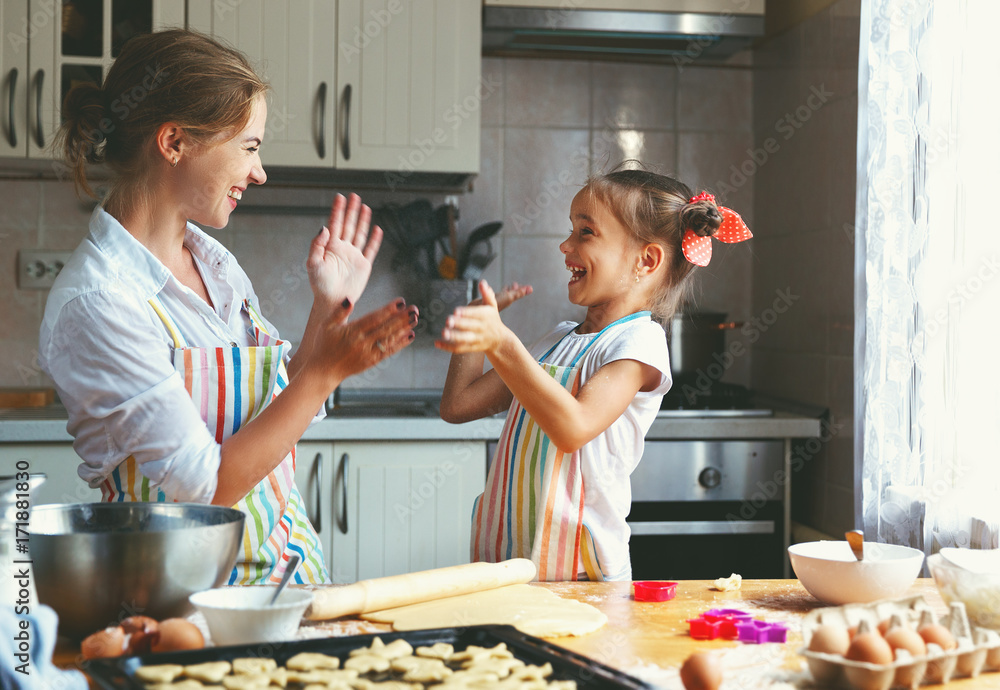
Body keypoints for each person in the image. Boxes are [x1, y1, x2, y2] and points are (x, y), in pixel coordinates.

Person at [38, 29, 418, 586]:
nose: (259, 172)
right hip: (181, 601)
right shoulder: (99, 304)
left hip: (288, 578)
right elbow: (206, 489)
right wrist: (330, 371)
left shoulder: (214, 265)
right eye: (249, 146)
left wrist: (327, 307)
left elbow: (285, 404)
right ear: (174, 142)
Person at [436, 166, 752, 581]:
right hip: (509, 565)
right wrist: (477, 333)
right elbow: (458, 406)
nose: (565, 245)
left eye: (585, 232)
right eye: (571, 229)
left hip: (581, 574)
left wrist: (503, 344)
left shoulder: (639, 343)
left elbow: (574, 427)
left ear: (647, 260)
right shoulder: (557, 339)